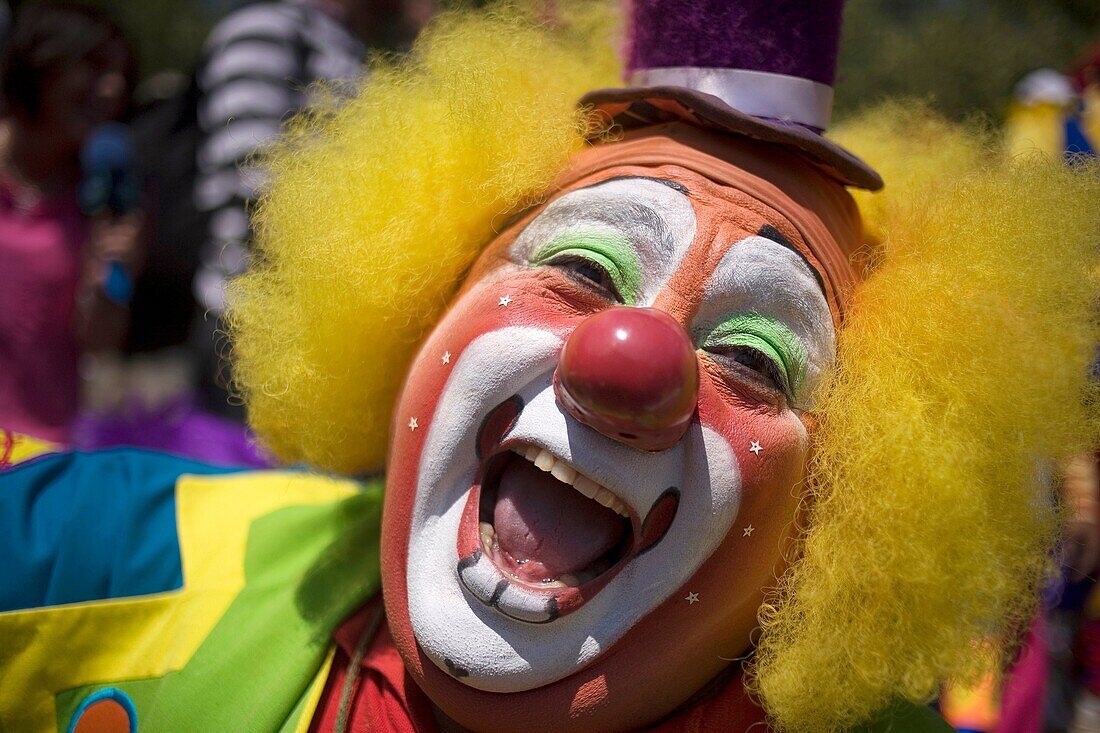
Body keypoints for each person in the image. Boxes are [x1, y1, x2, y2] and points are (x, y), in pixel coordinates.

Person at [1, 2, 1097, 731]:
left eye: (756, 356)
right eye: (577, 263)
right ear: (424, 309)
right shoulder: (112, 557)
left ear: (842, 498)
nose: (630, 356)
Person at [191, 0, 432, 414]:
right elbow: (252, 177)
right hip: (252, 331)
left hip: (321, 335)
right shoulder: (265, 27)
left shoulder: (353, 47)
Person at [0, 2, 142, 443]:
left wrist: (112, 280)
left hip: (42, 450)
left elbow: (99, 342)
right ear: (40, 65)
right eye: (96, 67)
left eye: (121, 75)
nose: (113, 87)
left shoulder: (108, 197)